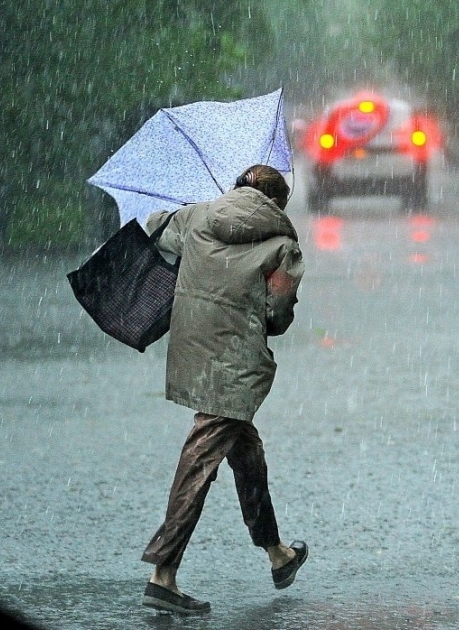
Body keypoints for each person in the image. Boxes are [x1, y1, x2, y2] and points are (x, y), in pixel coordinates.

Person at [139, 164, 307, 615]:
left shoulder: (197, 216)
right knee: (200, 461)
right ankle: (163, 573)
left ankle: (277, 553)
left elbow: (155, 227)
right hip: (235, 364)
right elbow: (279, 313)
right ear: (278, 204)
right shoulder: (282, 245)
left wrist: (203, 207)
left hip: (193, 349)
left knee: (246, 451)